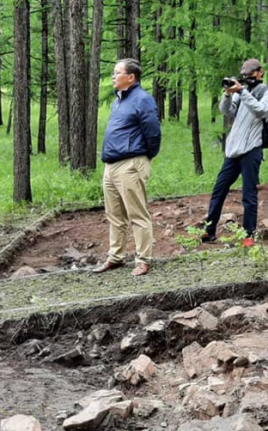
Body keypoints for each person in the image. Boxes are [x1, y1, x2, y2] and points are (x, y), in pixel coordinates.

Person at [92, 58, 161, 277]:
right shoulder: (118, 101)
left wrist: (144, 157)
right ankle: (116, 256)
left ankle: (143, 259)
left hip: (131, 163)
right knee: (114, 215)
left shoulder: (143, 100)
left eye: (116, 73)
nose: (113, 76)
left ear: (130, 77)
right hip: (111, 165)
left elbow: (153, 131)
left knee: (137, 213)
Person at [202, 58, 268, 247]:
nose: (248, 79)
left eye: (250, 75)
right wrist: (228, 94)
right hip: (233, 150)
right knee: (219, 190)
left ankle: (249, 235)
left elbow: (261, 110)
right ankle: (209, 230)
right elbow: (226, 111)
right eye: (244, 76)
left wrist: (242, 91)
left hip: (252, 149)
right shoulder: (241, 91)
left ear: (261, 72)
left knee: (248, 194)